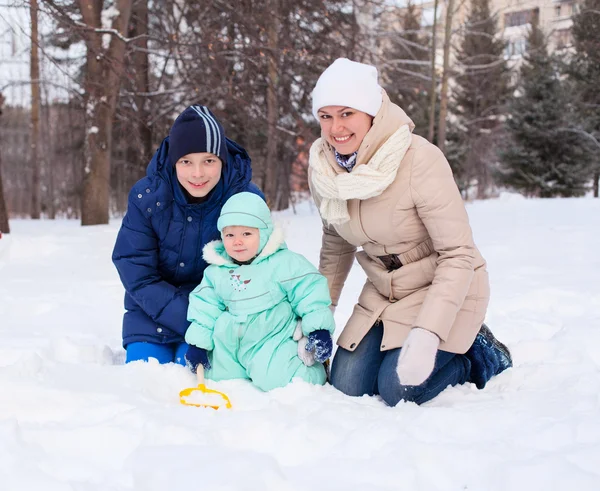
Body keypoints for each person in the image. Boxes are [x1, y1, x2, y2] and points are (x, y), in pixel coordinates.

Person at [308, 58, 512, 405]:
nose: (335, 128)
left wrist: (429, 332)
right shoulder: (325, 171)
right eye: (325, 116)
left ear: (372, 112)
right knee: (347, 385)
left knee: (398, 389)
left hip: (445, 285)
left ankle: (476, 354)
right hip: (385, 290)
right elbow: (336, 245)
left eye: (346, 114)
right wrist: (317, 314)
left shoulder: (419, 159)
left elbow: (458, 254)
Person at [112, 105, 263, 365]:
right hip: (151, 313)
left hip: (216, 317)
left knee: (190, 373)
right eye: (186, 162)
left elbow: (258, 269)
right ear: (174, 161)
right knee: (146, 375)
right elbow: (135, 270)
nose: (197, 173)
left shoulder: (245, 200)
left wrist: (213, 321)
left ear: (222, 160)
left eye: (208, 161)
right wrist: (190, 316)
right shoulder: (148, 198)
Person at [183, 192, 335, 391]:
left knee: (277, 379)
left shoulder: (283, 263)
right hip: (230, 341)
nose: (237, 241)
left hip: (270, 338)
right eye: (230, 235)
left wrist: (317, 329)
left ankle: (316, 370)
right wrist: (198, 344)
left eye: (246, 234)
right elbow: (205, 307)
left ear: (263, 233)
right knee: (215, 378)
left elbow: (310, 291)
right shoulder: (216, 271)